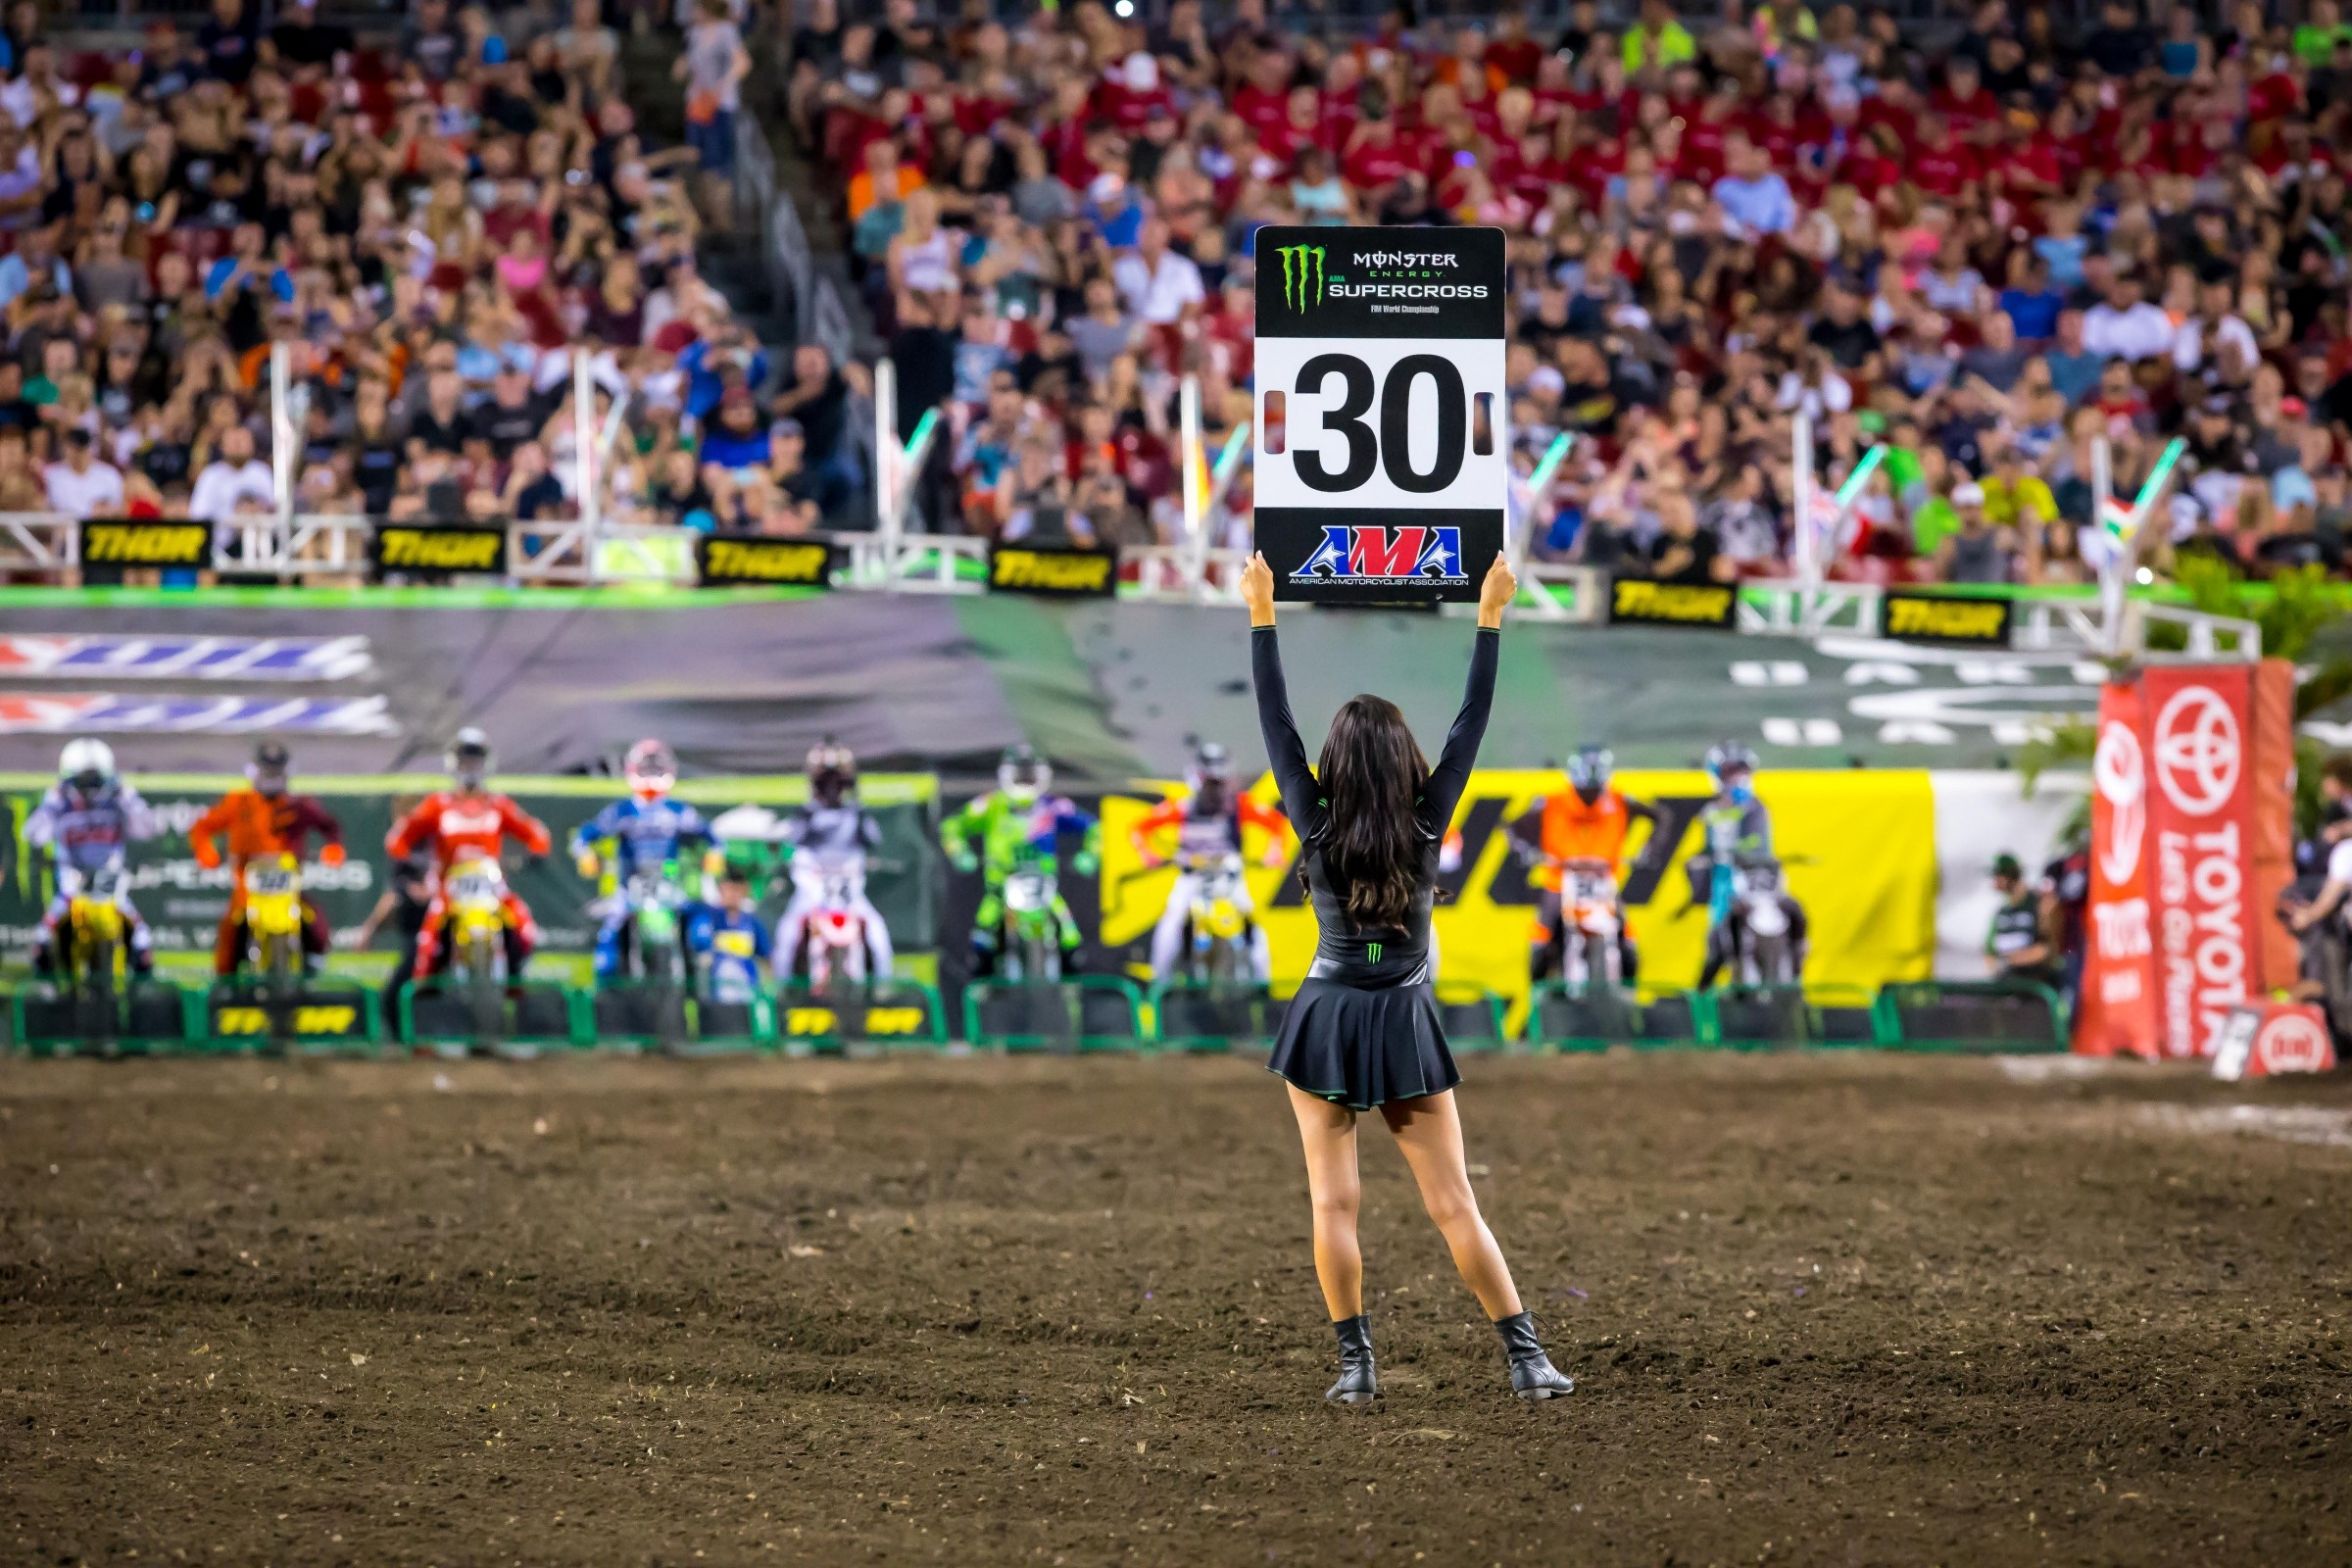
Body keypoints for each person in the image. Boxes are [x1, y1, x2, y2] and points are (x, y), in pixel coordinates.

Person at [1242, 548, 1575, 1405]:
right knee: (1455, 1203)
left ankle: (1357, 1370)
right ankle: (1526, 1359)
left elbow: (1274, 720)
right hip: (1402, 1020)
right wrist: (1489, 616)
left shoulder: (1311, 821)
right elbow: (1471, 725)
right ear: (1403, 763)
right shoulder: (1428, 824)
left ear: (1334, 764)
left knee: (1333, 1206)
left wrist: (1263, 612)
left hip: (1323, 1018)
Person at [384, 728, 554, 980]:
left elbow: (536, 833)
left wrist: (531, 856)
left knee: (525, 929)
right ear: (454, 763)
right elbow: (398, 837)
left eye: (476, 759)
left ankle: (515, 988)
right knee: (427, 946)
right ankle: (426, 997)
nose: (470, 766)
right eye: (465, 759)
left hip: (492, 889)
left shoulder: (498, 805)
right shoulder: (439, 804)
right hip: (450, 891)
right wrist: (413, 861)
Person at [1130, 741, 1288, 984]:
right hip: (1192, 876)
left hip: (1229, 876)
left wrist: (1275, 852)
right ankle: (1159, 985)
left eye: (1219, 781)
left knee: (1253, 927)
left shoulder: (1239, 805)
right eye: (1210, 781)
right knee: (1170, 923)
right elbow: (1140, 828)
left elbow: (1277, 824)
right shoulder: (1183, 806)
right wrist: (1148, 855)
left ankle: (1261, 984)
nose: (1215, 789)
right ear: (1199, 777)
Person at [187, 741, 345, 977]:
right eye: (267, 770)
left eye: (277, 771)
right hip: (248, 884)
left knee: (313, 923)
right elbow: (203, 826)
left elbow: (330, 826)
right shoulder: (239, 801)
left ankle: (313, 965)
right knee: (232, 928)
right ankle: (225, 983)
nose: (272, 777)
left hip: (287, 883)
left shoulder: (298, 804)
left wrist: (334, 848)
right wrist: (204, 850)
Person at [941, 743, 1100, 977]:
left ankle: (1070, 968)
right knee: (985, 925)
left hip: (1043, 882)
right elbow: (952, 826)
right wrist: (960, 854)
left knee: (1066, 927)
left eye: (1030, 773)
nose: (1025, 779)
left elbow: (1093, 827)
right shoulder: (992, 804)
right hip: (1001, 883)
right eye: (1020, 773)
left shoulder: (1052, 806)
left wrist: (1089, 856)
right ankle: (981, 976)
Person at [1505, 744, 1658, 982]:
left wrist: (1649, 850)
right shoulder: (1552, 801)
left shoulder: (1618, 799)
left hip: (1603, 879)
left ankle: (1629, 991)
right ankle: (1538, 984)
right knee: (1543, 933)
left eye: (1596, 791)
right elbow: (1511, 827)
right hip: (1560, 878)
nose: (1592, 797)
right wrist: (1527, 851)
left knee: (1626, 935)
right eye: (1587, 791)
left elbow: (1659, 816)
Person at [568, 738, 718, 981]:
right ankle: (607, 997)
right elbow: (584, 836)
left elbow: (711, 836)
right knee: (608, 946)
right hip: (631, 889)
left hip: (668, 886)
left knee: (700, 930)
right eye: (646, 769)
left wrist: (714, 854)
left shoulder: (678, 811)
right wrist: (584, 854)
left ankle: (697, 985)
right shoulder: (622, 811)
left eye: (656, 769)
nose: (651, 775)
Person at [24, 738, 159, 978]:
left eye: (94, 780)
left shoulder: (117, 803)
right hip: (70, 893)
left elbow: (149, 828)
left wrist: (129, 799)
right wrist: (50, 806)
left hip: (112, 892)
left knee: (142, 943)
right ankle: (49, 992)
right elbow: (33, 835)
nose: (89, 789)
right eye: (82, 781)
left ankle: (140, 996)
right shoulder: (60, 804)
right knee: (42, 943)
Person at [773, 738, 894, 984]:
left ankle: (883, 986)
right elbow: (790, 842)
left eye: (838, 782)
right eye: (826, 782)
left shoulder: (856, 815)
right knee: (787, 934)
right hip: (813, 894)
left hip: (849, 893)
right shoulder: (805, 816)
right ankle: (782, 988)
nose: (832, 789)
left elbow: (873, 839)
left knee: (877, 933)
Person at [1687, 741, 1775, 988]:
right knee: (1719, 943)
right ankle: (1702, 993)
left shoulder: (1755, 807)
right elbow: (1710, 847)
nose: (1737, 778)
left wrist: (1741, 854)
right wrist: (1700, 860)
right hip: (1725, 885)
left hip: (1756, 879)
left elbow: (1758, 844)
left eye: (1741, 771)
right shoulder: (1711, 811)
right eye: (1730, 772)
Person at [351, 850, 434, 1033]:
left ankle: (411, 1038)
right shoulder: (403, 861)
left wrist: (368, 931)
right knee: (397, 994)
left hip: (433, 941)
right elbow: (393, 905)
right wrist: (371, 931)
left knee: (399, 994)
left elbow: (392, 900)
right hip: (418, 938)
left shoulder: (433, 848)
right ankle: (407, 1038)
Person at [686, 857, 774, 1004]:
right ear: (720, 889)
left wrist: (768, 991)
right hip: (716, 995)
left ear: (745, 890)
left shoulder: (752, 922)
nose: (732, 894)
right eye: (728, 888)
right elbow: (699, 949)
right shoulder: (708, 918)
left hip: (747, 993)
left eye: (737, 889)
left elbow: (765, 957)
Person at [1985, 853, 2057, 987]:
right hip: (2006, 984)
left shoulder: (2038, 904)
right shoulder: (2001, 912)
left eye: (1998, 875)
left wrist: (2010, 961)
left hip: (2034, 985)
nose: (1994, 881)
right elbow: (1989, 951)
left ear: (2009, 876)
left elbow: (2046, 949)